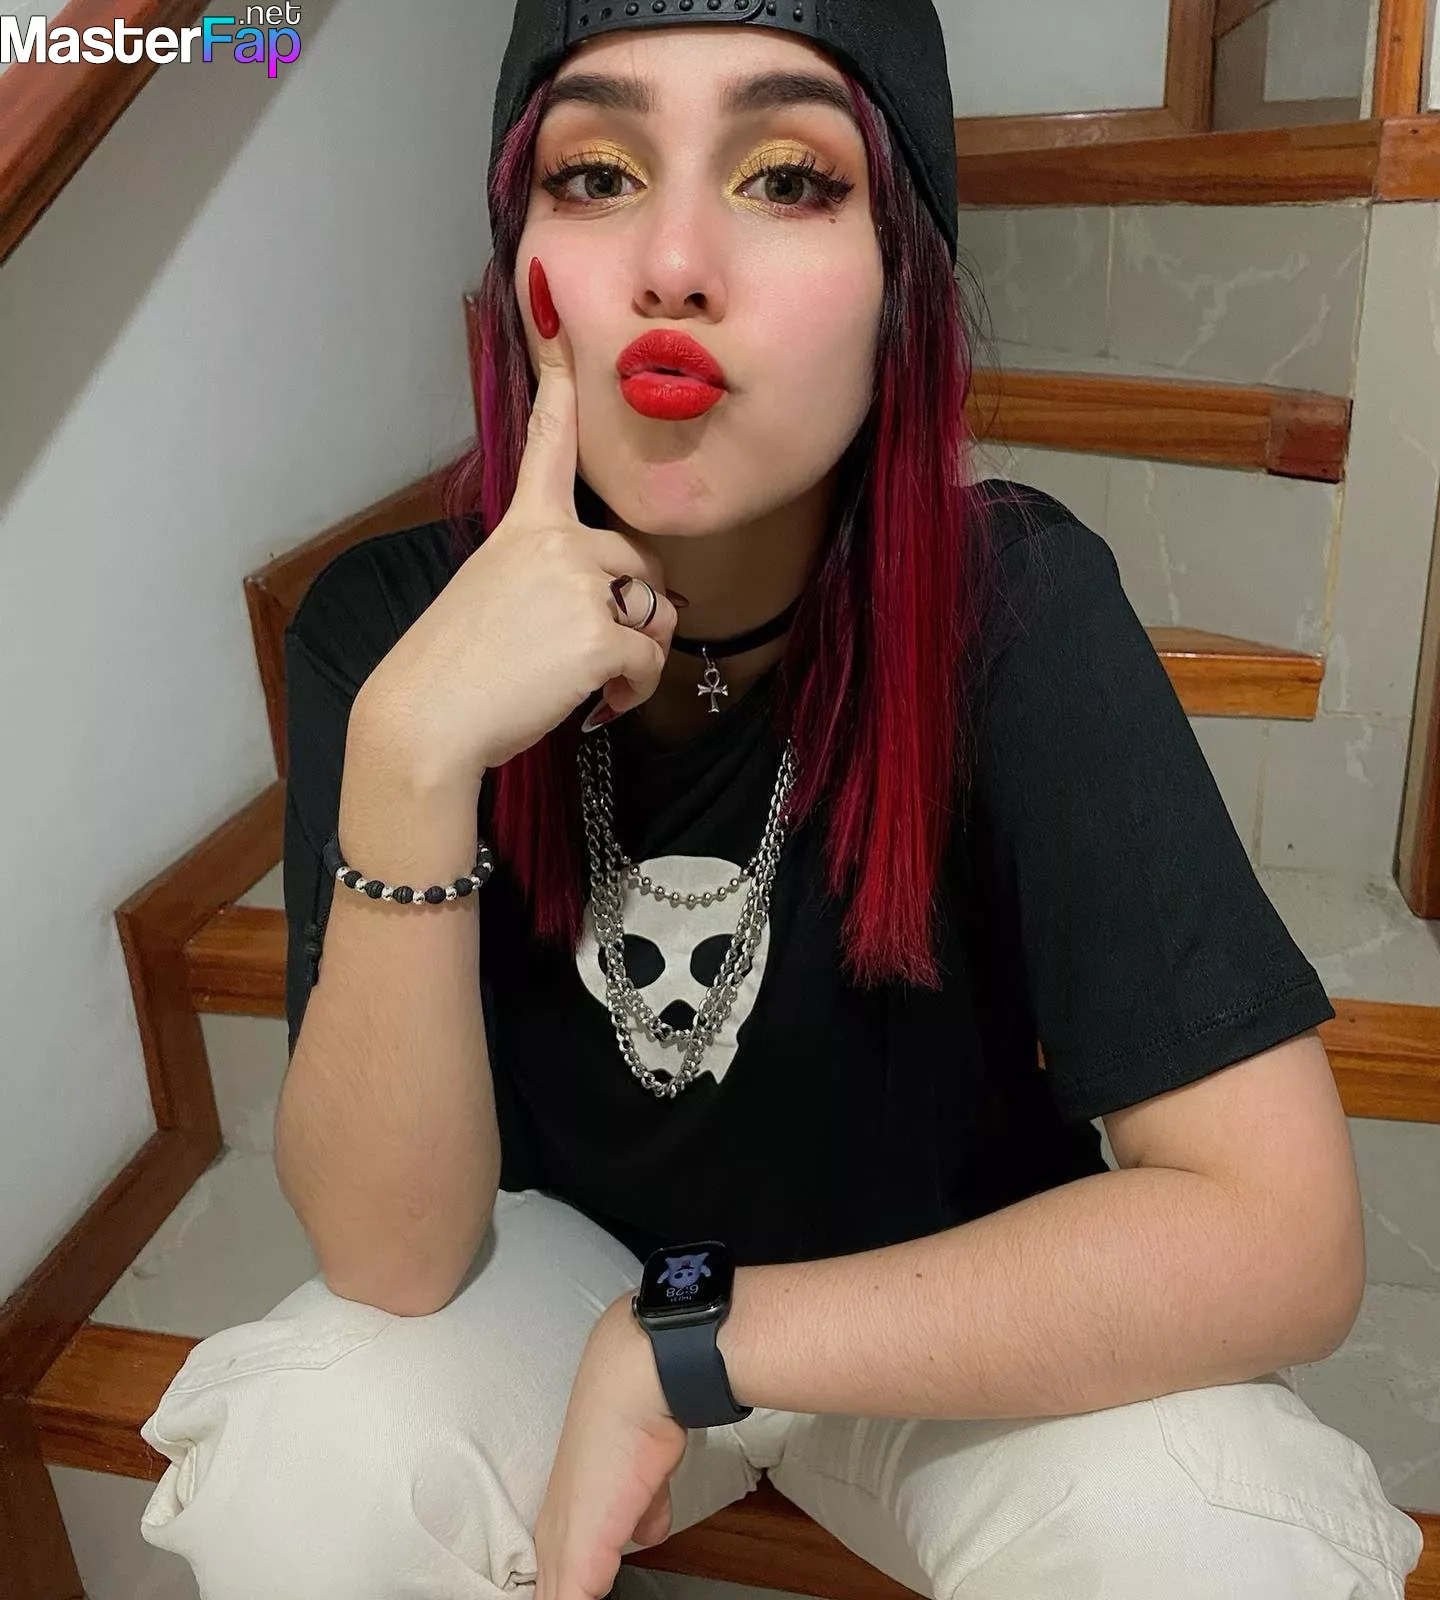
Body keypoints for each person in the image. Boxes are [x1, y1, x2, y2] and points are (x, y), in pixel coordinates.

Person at [136, 2, 1427, 1596]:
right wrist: (410, 762)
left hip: (937, 1298)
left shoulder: (1015, 604)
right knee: (311, 1467)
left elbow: (1279, 1235)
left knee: (1218, 1535)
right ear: (522, 276)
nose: (673, 261)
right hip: (552, 1266)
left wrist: (694, 1342)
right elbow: (392, 1261)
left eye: (790, 179)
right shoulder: (390, 627)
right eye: (596, 175)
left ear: (903, 288)